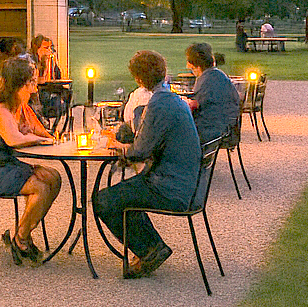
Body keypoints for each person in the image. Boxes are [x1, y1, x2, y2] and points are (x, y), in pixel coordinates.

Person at [94, 51, 201, 279]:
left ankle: (150, 250)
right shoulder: (171, 99)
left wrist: (118, 146)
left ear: (139, 80)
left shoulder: (159, 105)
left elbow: (140, 151)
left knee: (104, 200)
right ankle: (151, 247)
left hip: (170, 187)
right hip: (182, 181)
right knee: (124, 193)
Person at [0, 56, 61, 263]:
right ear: (22, 83)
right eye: (32, 81)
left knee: (54, 177)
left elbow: (45, 134)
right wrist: (34, 138)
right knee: (41, 187)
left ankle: (21, 232)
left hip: (8, 164)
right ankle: (22, 239)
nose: (35, 85)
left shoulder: (22, 107)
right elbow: (13, 139)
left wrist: (41, 135)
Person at [185, 42, 242, 142]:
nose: (187, 66)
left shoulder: (206, 80)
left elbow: (194, 106)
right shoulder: (218, 75)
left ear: (195, 65)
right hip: (226, 127)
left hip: (213, 132)